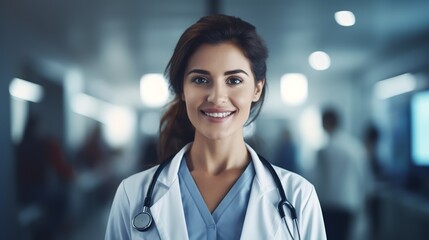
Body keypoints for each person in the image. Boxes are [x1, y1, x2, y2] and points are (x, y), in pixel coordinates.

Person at [105, 14, 326, 240]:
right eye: (200, 80)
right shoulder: (132, 195)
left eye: (234, 80)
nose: (217, 96)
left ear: (257, 89)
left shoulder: (299, 196)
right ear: (182, 89)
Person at [313, 107, 371, 240]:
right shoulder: (355, 147)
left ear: (326, 122)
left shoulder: (324, 150)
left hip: (329, 203)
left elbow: (317, 179)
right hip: (350, 203)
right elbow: (364, 178)